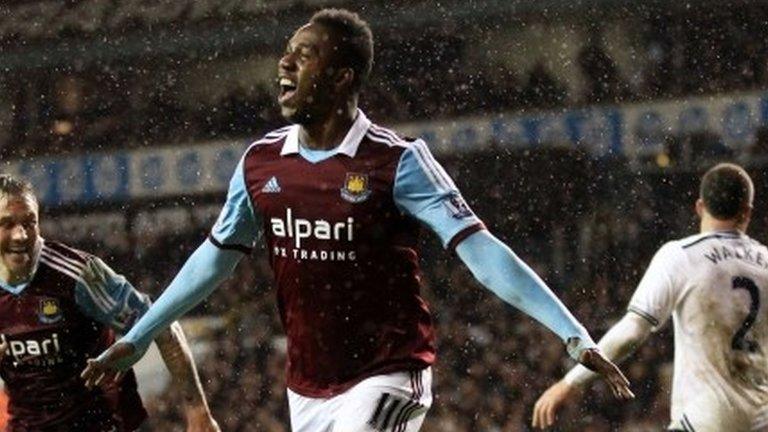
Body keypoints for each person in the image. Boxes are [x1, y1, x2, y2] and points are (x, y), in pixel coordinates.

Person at [84, 8, 633, 432]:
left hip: (389, 373)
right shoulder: (260, 163)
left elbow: (482, 252)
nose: (285, 63)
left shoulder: (397, 161)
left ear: (343, 76)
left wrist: (572, 334)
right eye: (287, 52)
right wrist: (137, 337)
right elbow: (212, 261)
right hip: (306, 388)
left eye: (305, 54)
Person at [533, 163, 768, 431]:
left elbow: (632, 332)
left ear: (700, 207)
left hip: (706, 419)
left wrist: (571, 382)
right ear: (747, 212)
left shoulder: (683, 255)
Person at [0, 173, 220, 432]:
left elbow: (162, 324)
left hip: (102, 424)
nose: (20, 235)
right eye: (6, 224)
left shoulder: (77, 276)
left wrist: (197, 411)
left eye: (29, 222)